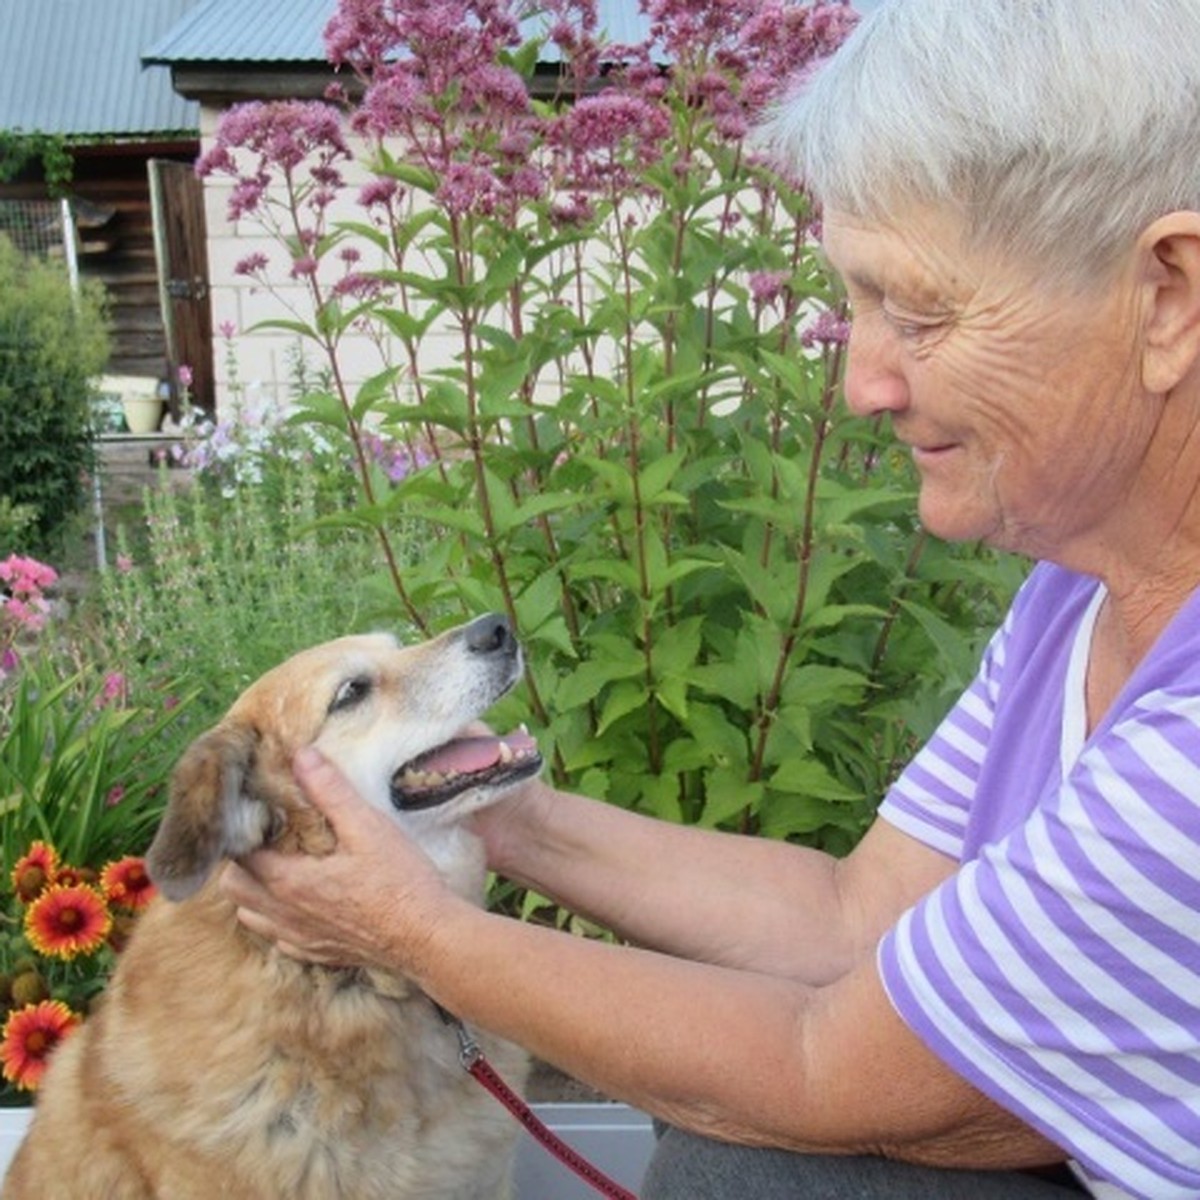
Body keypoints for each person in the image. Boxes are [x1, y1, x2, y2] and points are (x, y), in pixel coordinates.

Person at [219, 1, 1200, 1195]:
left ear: (1169, 295)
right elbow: (854, 916)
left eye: (921, 310)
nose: (863, 383)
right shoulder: (1074, 599)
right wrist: (499, 816)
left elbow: (822, 1067)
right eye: (857, 302)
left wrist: (411, 932)